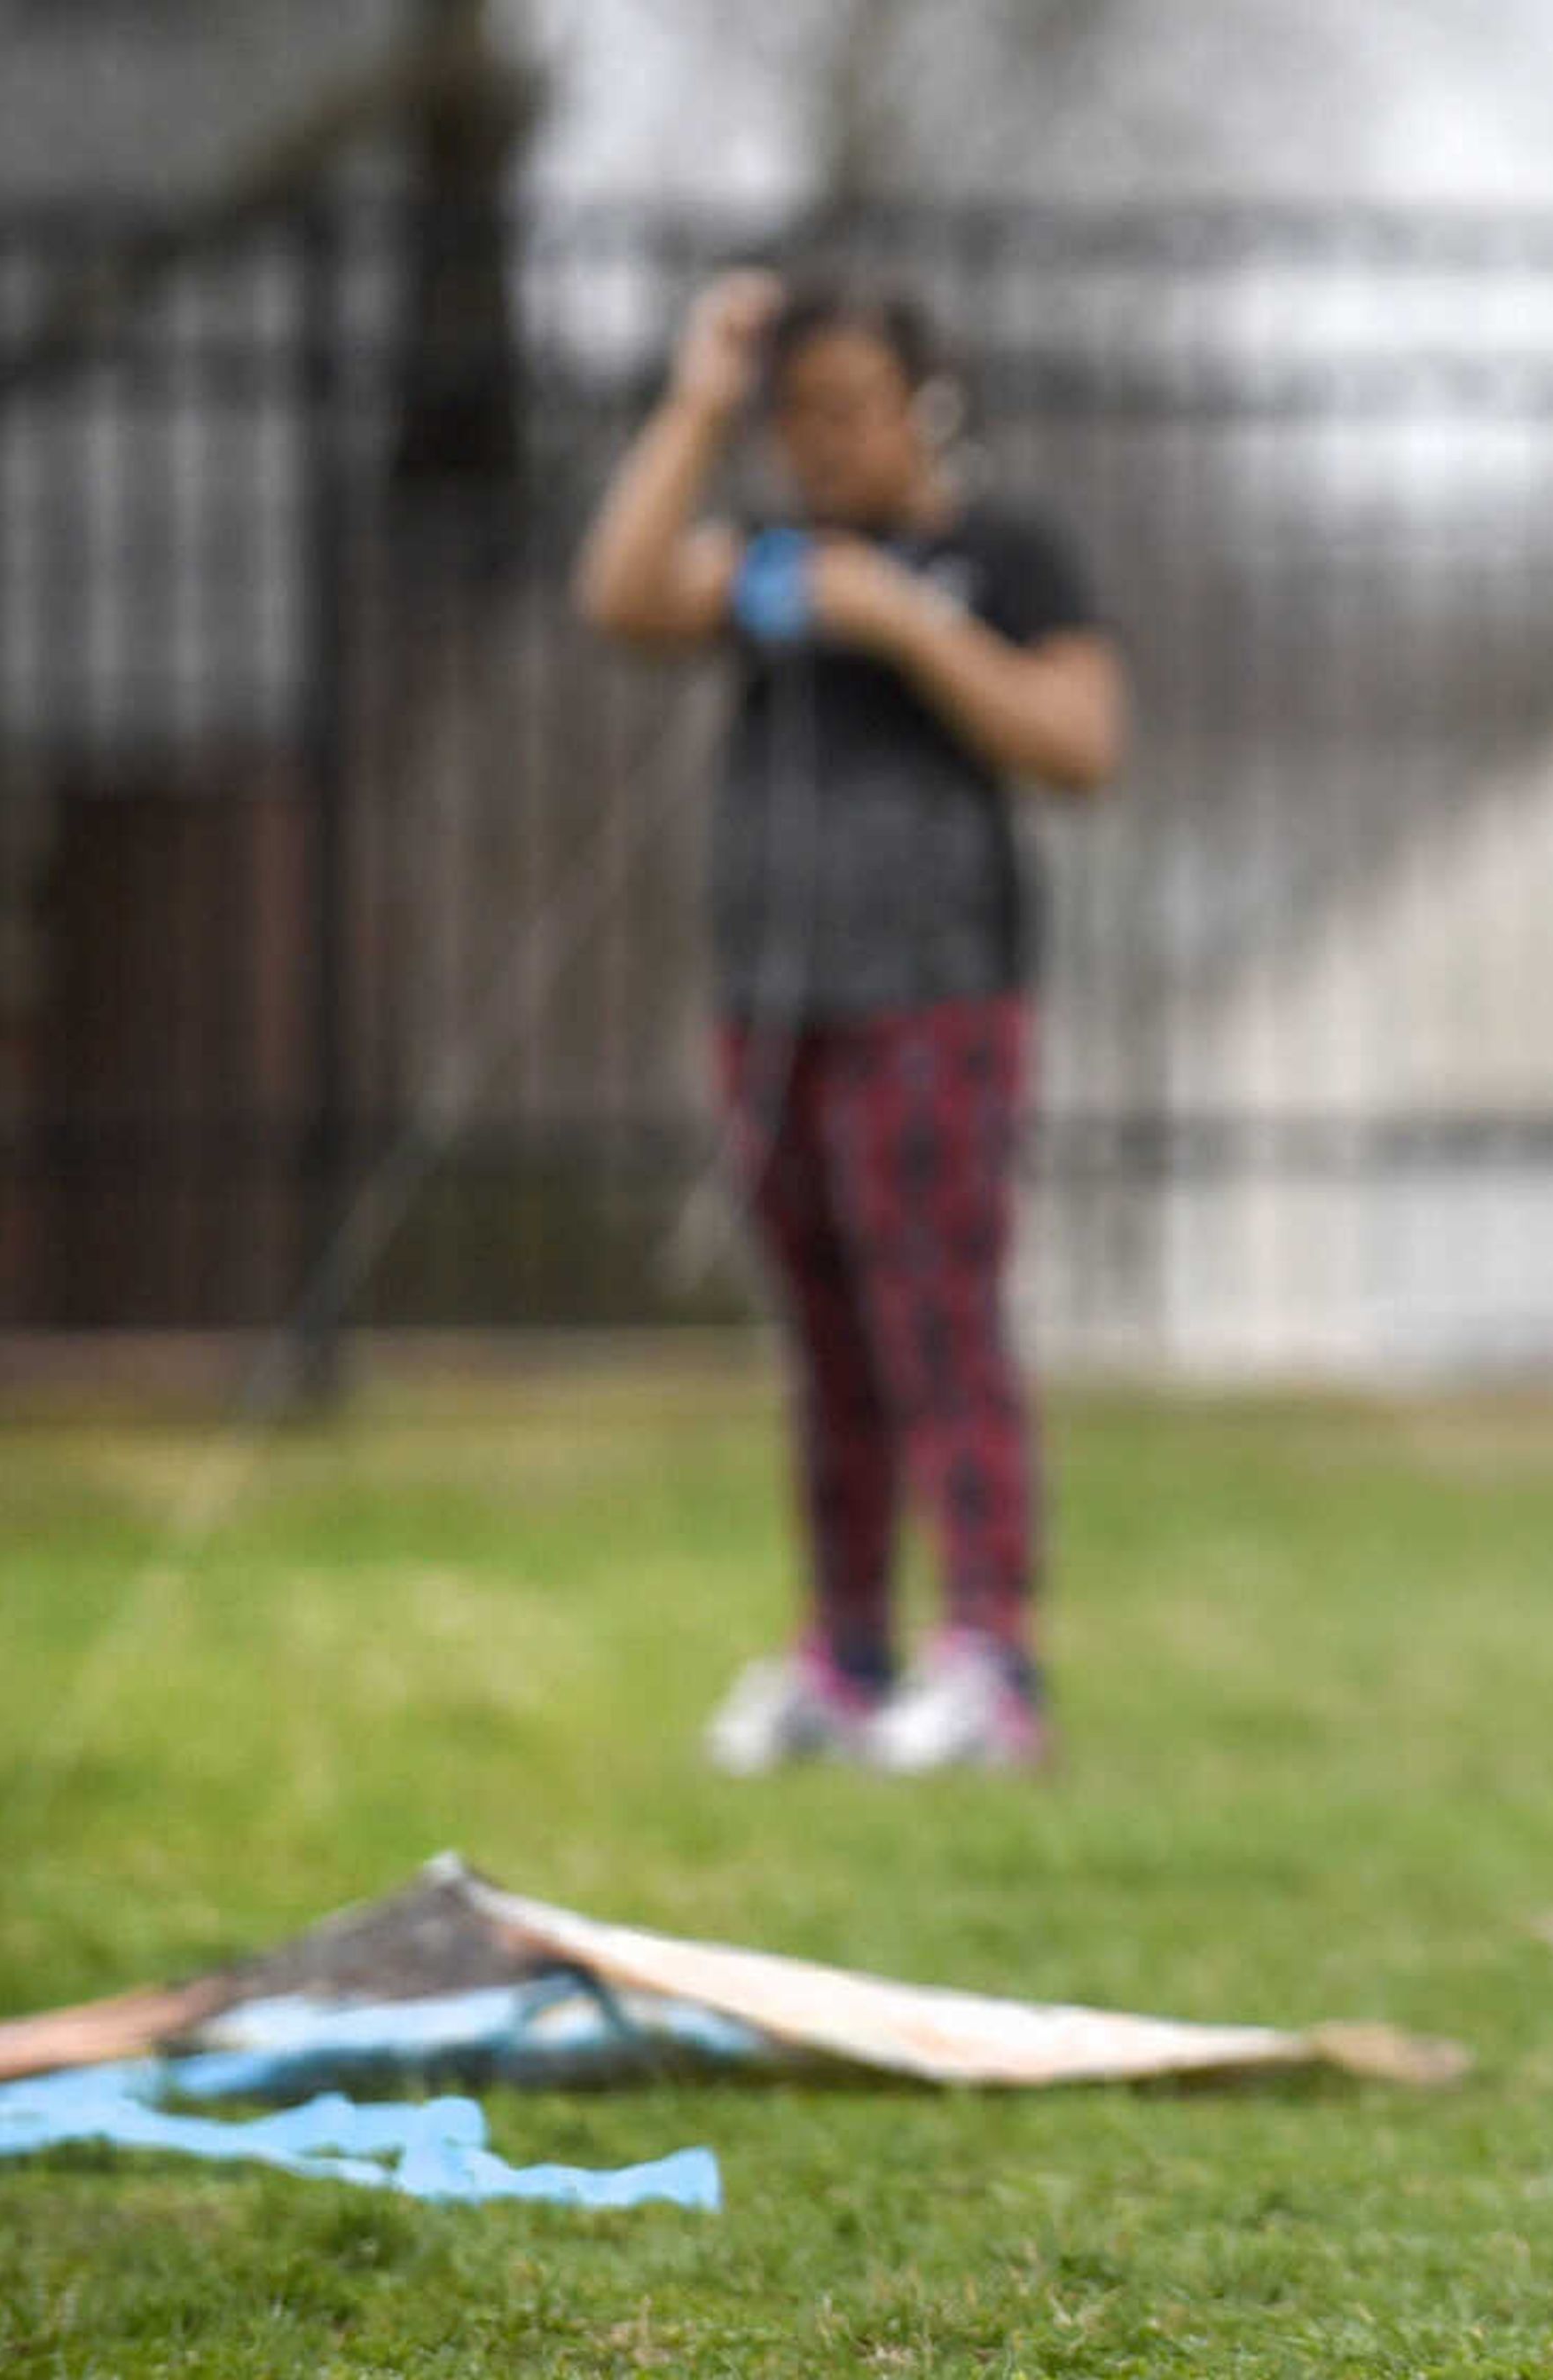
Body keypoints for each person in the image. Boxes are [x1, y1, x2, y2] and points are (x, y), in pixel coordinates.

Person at [573, 270, 1124, 1774]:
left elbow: (1079, 743)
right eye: (792, 414)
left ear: (923, 406)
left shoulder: (1002, 556)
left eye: (847, 411)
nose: (816, 443)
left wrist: (903, 624)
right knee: (824, 1339)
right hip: (772, 1002)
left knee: (937, 1319)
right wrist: (696, 398)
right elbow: (621, 595)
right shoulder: (768, 561)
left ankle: (991, 1659)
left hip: (940, 997)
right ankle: (847, 1654)